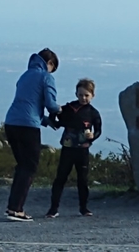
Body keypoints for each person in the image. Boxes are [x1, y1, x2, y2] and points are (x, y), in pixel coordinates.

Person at [4, 48, 61, 222]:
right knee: (29, 166)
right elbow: (51, 105)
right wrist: (60, 111)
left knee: (22, 165)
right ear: (50, 64)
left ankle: (13, 207)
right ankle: (16, 209)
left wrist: (46, 122)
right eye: (53, 68)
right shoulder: (46, 77)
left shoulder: (25, 75)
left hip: (11, 123)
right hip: (28, 127)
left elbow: (28, 105)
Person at [45, 78, 102, 218]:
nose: (83, 98)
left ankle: (84, 208)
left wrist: (92, 137)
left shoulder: (93, 113)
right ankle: (53, 209)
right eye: (81, 94)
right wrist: (56, 123)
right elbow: (54, 114)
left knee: (82, 180)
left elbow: (98, 130)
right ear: (76, 93)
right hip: (68, 149)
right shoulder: (68, 108)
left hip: (83, 150)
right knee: (60, 178)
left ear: (92, 96)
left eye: (86, 95)